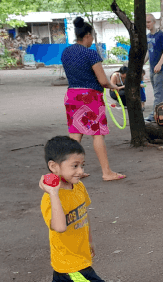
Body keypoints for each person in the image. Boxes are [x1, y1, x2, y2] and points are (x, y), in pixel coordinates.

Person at [25, 136, 135, 282]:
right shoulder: (50, 200)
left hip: (76, 255)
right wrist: (53, 193)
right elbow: (59, 226)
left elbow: (84, 216)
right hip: (70, 262)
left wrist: (90, 241)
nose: (80, 171)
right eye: (74, 166)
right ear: (54, 167)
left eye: (82, 165)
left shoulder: (79, 187)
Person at [61, 17, 125, 181]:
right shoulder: (90, 53)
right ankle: (106, 172)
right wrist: (113, 87)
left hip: (72, 95)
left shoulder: (66, 52)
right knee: (97, 134)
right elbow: (103, 81)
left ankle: (71, 172)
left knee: (75, 134)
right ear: (88, 35)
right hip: (90, 97)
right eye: (92, 36)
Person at [145, 13, 163, 122]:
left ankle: (153, 116)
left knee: (158, 94)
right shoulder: (148, 36)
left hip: (161, 70)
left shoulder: (162, 35)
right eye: (145, 23)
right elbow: (148, 52)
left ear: (154, 22)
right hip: (152, 69)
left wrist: (159, 64)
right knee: (160, 95)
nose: (147, 24)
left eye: (148, 22)